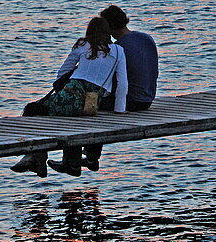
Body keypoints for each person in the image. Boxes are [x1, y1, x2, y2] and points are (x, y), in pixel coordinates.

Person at [11, 16, 128, 178]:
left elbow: (63, 73)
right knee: (72, 119)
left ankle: (36, 158)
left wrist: (61, 89)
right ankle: (70, 163)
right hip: (92, 103)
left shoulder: (83, 45)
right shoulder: (118, 51)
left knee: (32, 110)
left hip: (72, 94)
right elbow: (122, 83)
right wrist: (119, 111)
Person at [81, 5, 159, 172]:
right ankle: (89, 156)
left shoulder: (118, 49)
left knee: (88, 102)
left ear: (108, 27)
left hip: (132, 101)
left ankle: (83, 158)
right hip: (147, 98)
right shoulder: (146, 38)